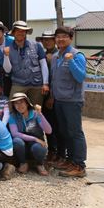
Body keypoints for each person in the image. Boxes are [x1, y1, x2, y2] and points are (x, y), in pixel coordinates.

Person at [50, 26, 87, 178]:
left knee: (75, 133)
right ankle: (70, 161)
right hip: (59, 100)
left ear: (70, 38)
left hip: (73, 100)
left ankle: (80, 165)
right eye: (58, 37)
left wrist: (71, 62)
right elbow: (54, 79)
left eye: (64, 36)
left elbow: (80, 77)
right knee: (64, 132)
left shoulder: (77, 55)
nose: (60, 39)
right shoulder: (55, 56)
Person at [3, 20, 49, 106]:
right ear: (13, 33)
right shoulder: (8, 48)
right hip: (18, 83)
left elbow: (43, 64)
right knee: (12, 108)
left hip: (36, 84)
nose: (20, 33)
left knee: (36, 110)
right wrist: (6, 56)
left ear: (26, 32)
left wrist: (45, 83)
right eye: (18, 30)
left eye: (23, 31)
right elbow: (7, 70)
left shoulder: (37, 45)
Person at [37, 30, 64, 163]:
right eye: (44, 39)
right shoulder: (42, 54)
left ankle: (58, 152)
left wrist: (51, 97)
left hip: (53, 95)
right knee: (45, 124)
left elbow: (55, 79)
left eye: (49, 39)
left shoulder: (57, 55)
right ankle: (51, 151)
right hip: (42, 94)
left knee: (55, 125)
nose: (47, 42)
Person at [8, 92, 51, 176]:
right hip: (22, 146)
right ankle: (23, 163)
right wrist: (34, 139)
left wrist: (40, 115)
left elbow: (49, 131)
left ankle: (40, 164)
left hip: (36, 146)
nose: (19, 105)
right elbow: (15, 133)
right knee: (16, 141)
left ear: (27, 103)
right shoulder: (12, 116)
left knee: (38, 147)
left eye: (21, 102)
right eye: (16, 103)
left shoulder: (35, 114)